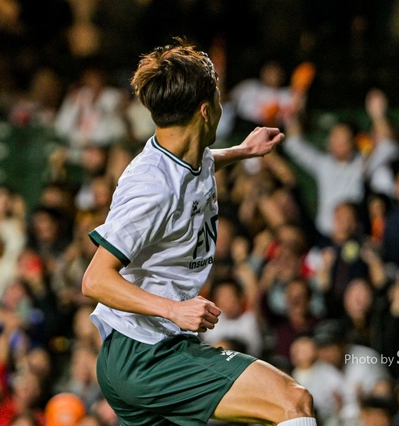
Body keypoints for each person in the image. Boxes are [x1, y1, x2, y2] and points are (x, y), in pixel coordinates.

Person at [81, 39, 316, 425]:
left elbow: (199, 166)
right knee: (293, 402)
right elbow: (95, 280)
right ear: (206, 110)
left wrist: (241, 151)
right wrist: (173, 309)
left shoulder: (185, 152)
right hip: (145, 353)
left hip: (142, 352)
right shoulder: (151, 186)